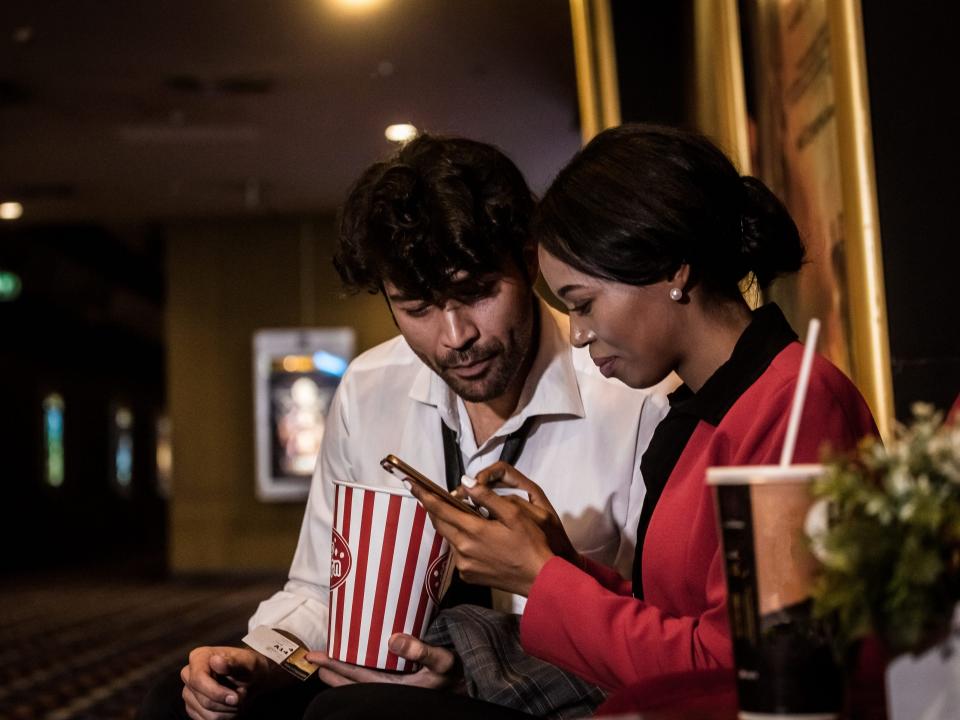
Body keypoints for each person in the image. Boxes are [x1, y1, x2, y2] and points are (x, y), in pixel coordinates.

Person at [310, 123, 879, 718]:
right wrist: (554, 562)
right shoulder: (713, 408)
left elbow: (751, 674)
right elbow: (673, 623)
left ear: (673, 270)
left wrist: (543, 577)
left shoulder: (792, 406)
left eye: (582, 304)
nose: (578, 334)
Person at [139, 134, 668, 720]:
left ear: (529, 256)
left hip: (546, 693)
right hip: (369, 682)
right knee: (177, 704)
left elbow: (652, 632)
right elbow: (318, 590)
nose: (455, 336)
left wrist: (472, 677)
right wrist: (261, 659)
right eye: (416, 308)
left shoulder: (633, 396)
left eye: (476, 292)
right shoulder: (370, 388)